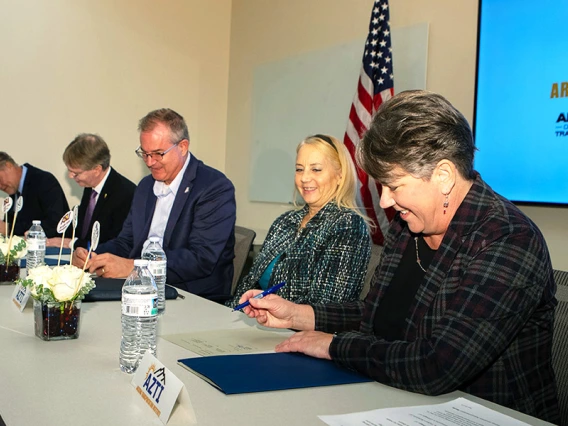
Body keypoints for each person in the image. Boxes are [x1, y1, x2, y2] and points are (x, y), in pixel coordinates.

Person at [238, 91, 560, 423]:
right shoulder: (408, 224)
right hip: (397, 399)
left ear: (444, 176)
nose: (387, 201)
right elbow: (376, 314)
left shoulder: (507, 239)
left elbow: (439, 365)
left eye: (394, 185)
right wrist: (298, 316)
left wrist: (332, 346)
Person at [73, 108, 236, 299]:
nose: (150, 162)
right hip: (141, 288)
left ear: (182, 147)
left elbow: (200, 259)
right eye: (145, 153)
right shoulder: (145, 186)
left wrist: (133, 267)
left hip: (191, 294)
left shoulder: (214, 187)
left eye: (158, 154)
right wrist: (92, 256)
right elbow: (127, 242)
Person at [227, 135, 371, 308]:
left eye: (316, 169)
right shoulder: (285, 221)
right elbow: (250, 283)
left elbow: (326, 307)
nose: (304, 178)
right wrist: (230, 313)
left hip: (297, 331)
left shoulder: (348, 225)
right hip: (254, 321)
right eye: (299, 169)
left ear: (340, 175)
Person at [46, 133, 136, 249]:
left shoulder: (125, 194)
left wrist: (71, 243)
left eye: (76, 173)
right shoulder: (90, 186)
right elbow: (82, 231)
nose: (70, 176)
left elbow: (114, 244)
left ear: (97, 170)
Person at [0, 152, 69, 238]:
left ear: (8, 165)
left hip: (53, 248)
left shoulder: (44, 181)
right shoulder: (13, 190)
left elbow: (55, 224)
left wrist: (9, 228)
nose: (0, 186)